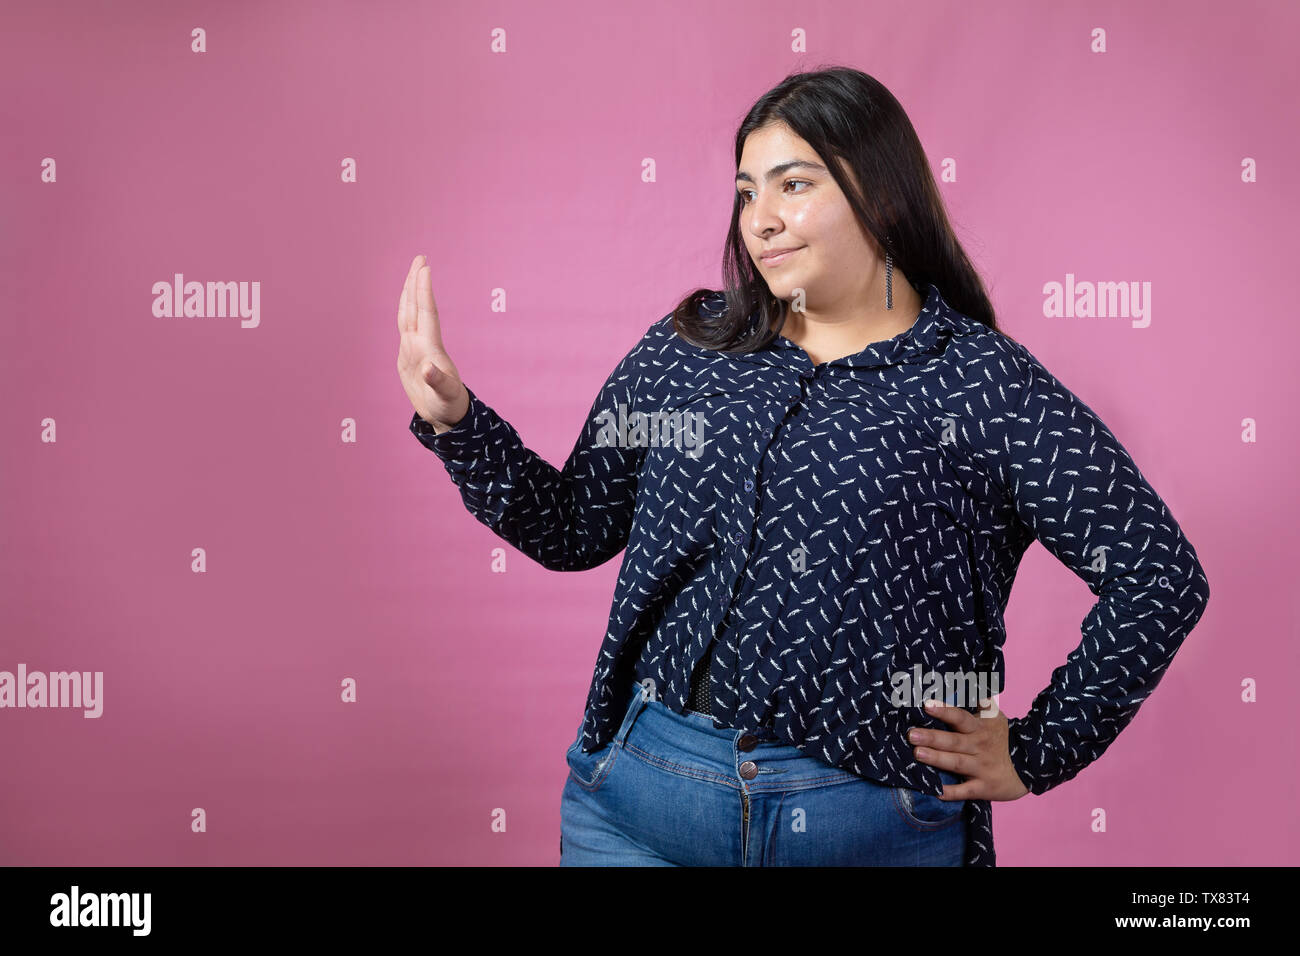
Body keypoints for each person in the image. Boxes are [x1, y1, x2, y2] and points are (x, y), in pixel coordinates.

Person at [396, 66, 1210, 866]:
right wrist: (457, 421)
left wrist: (1038, 750)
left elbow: (1160, 576)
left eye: (793, 185)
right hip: (637, 813)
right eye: (748, 192)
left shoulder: (982, 384)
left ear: (881, 192)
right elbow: (572, 526)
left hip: (870, 825)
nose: (761, 220)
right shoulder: (693, 348)